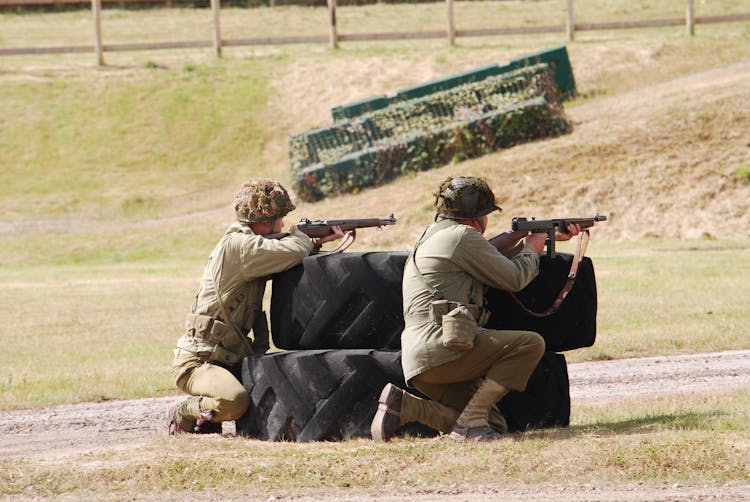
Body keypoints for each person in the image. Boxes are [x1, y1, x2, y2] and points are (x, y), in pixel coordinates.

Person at [371, 176, 581, 442]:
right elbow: (514, 279)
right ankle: (471, 420)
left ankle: (407, 406)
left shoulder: (433, 235)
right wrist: (532, 249)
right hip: (443, 349)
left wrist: (546, 238)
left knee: (492, 423)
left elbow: (487, 259)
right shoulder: (463, 237)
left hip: (420, 359)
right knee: (529, 344)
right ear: (477, 217)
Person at [169, 179, 343, 434]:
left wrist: (314, 243)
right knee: (233, 402)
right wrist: (301, 237)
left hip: (231, 357)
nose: (283, 224)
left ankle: (205, 419)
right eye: (279, 219)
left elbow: (284, 256)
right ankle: (183, 411)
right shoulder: (240, 246)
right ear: (263, 220)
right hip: (200, 360)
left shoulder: (251, 248)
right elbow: (291, 251)